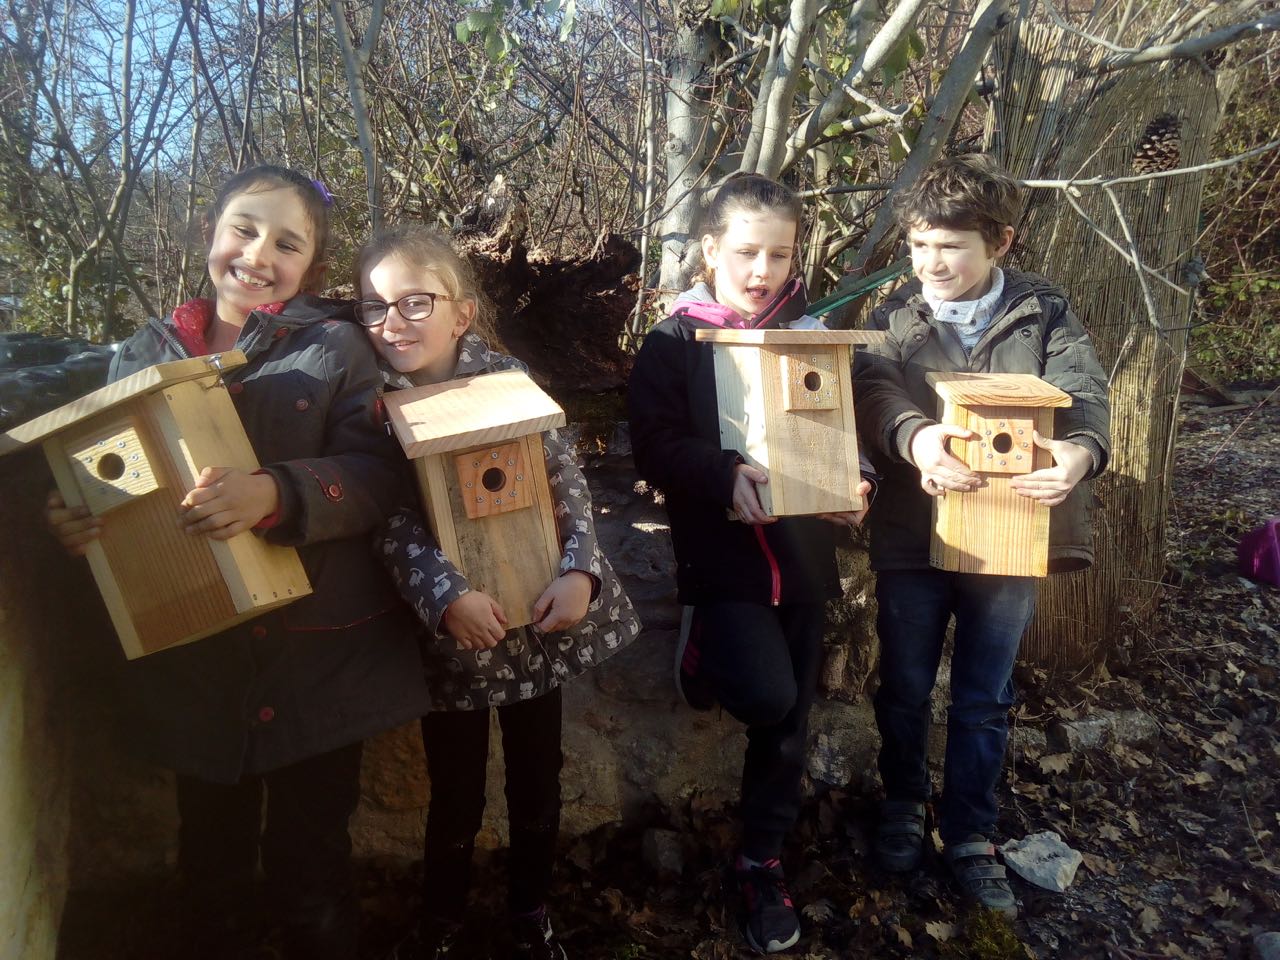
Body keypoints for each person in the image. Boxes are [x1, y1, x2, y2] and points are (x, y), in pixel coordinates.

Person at [46, 165, 430, 960]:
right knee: (210, 867)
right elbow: (110, 476)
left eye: (287, 244)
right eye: (244, 230)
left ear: (311, 266)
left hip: (318, 667)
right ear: (210, 234)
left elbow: (381, 474)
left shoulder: (335, 348)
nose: (258, 255)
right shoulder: (142, 355)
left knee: (310, 873)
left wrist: (278, 492)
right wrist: (79, 517)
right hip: (197, 667)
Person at [356, 224, 641, 960]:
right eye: (374, 306)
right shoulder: (372, 406)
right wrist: (446, 596)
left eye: (415, 302)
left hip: (535, 617)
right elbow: (389, 520)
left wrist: (579, 571)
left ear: (461, 313)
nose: (393, 321)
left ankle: (531, 912)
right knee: (454, 790)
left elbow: (564, 482)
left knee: (537, 780)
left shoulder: (507, 381)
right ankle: (442, 922)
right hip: (455, 634)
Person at [854, 153, 1111, 917]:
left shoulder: (1044, 312)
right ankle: (904, 804)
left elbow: (1084, 390)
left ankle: (971, 832)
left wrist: (1079, 452)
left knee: (984, 696)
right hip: (914, 533)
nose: (930, 263)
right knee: (905, 683)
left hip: (1010, 533)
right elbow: (874, 389)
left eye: (951, 246)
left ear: (1000, 242)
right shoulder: (896, 318)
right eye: (918, 244)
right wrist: (915, 438)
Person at [627, 173, 875, 955]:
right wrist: (723, 473)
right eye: (745, 252)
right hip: (723, 561)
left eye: (779, 253)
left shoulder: (810, 336)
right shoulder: (674, 342)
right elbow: (654, 445)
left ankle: (760, 863)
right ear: (710, 250)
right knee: (766, 698)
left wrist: (856, 482)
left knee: (790, 726)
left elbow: (846, 428)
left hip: (804, 563)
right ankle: (700, 643)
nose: (762, 270)